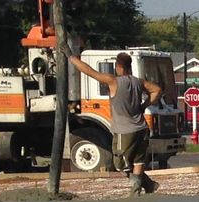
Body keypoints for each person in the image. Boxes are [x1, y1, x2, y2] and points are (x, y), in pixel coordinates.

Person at [69, 49, 162, 193]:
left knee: (119, 164)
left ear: (118, 67)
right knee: (138, 161)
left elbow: (89, 71)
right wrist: (144, 105)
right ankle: (139, 192)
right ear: (129, 66)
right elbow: (156, 90)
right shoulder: (139, 82)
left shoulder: (113, 81)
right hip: (142, 129)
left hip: (124, 131)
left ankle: (147, 185)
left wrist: (71, 57)